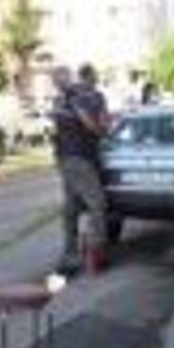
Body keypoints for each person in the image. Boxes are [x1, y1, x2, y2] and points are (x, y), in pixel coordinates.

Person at [50, 63, 111, 275]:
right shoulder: (82, 97)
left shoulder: (62, 99)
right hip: (79, 158)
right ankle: (97, 250)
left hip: (66, 158)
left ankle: (70, 253)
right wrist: (102, 132)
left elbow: (60, 127)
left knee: (72, 206)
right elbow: (90, 123)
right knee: (98, 203)